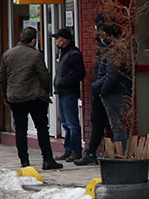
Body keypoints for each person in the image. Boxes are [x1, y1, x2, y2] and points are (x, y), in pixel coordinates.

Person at [0, 28, 63, 170]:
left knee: (20, 129)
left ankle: (24, 162)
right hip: (35, 97)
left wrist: (5, 95)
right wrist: (46, 91)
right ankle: (47, 159)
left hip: (15, 97)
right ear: (34, 40)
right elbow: (44, 76)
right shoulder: (36, 55)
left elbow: (2, 78)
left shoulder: (8, 54)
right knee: (42, 129)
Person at [90, 23, 132, 154]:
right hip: (116, 91)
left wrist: (102, 91)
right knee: (116, 125)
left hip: (113, 93)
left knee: (117, 126)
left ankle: (120, 153)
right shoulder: (116, 52)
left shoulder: (114, 54)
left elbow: (111, 76)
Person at [75, 29, 111, 166]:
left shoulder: (108, 50)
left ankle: (93, 153)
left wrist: (98, 88)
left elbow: (109, 75)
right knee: (98, 122)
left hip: (104, 92)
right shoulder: (103, 47)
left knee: (105, 123)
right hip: (100, 91)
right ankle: (92, 152)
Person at [51, 28, 86, 163]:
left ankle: (76, 151)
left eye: (58, 39)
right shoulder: (64, 53)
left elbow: (80, 73)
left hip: (69, 92)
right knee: (65, 123)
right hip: (62, 92)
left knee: (72, 123)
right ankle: (68, 149)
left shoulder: (73, 54)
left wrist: (65, 81)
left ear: (64, 40)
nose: (56, 42)